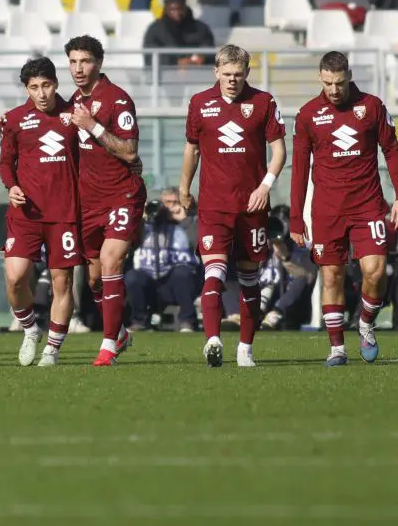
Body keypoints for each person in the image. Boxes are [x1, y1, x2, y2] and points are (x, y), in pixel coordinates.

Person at [289, 50, 398, 365]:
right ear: (320, 77)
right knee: (331, 276)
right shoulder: (308, 114)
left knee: (375, 271)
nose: (334, 90)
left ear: (349, 76)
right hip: (327, 210)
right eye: (328, 83)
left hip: (367, 205)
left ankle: (366, 322)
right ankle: (337, 349)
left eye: (339, 83)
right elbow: (299, 169)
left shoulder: (371, 107)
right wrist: (296, 217)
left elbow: (391, 149)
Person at [180, 44, 287, 367]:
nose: (232, 80)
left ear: (247, 73)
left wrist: (265, 186)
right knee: (213, 272)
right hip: (214, 206)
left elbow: (279, 151)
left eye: (238, 74)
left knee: (249, 278)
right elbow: (192, 149)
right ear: (216, 72)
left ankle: (245, 348)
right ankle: (213, 340)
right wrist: (184, 187)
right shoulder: (200, 103)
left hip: (252, 208)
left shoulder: (263, 102)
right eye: (226, 74)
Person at [64, 35, 147, 366]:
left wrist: (92, 126)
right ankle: (120, 332)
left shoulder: (118, 100)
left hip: (122, 195)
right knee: (95, 278)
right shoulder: (73, 100)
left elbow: (129, 151)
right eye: (73, 61)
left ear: (98, 63)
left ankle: (108, 346)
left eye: (85, 61)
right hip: (89, 201)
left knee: (112, 261)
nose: (78, 68)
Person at [0, 58, 82, 367]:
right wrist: (11, 186)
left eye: (46, 85)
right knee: (15, 278)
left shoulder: (75, 115)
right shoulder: (14, 119)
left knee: (62, 283)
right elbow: (5, 162)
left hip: (64, 213)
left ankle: (52, 350)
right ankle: (31, 329)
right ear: (26, 89)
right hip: (26, 213)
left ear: (56, 84)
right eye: (34, 87)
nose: (41, 93)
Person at [125, 200, 201, 332]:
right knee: (132, 277)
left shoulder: (177, 232)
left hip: (170, 283)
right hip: (147, 281)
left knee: (183, 273)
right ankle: (139, 321)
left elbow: (189, 261)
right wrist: (139, 218)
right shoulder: (141, 230)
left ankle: (187, 321)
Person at [142, 0, 216, 67]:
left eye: (179, 9)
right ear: (166, 9)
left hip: (197, 71)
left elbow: (209, 46)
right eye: (172, 9)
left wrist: (202, 57)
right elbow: (150, 57)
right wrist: (177, 62)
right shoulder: (155, 30)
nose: (177, 12)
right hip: (167, 73)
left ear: (185, 8)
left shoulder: (200, 28)